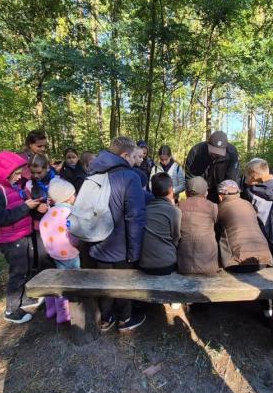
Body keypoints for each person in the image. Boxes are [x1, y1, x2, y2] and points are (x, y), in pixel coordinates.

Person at [86, 136, 147, 332]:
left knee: (104, 282)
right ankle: (125, 318)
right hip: (121, 246)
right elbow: (135, 217)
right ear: (125, 155)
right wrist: (134, 252)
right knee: (123, 283)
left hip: (97, 242)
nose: (135, 161)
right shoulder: (130, 177)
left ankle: (106, 319)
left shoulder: (93, 173)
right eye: (133, 157)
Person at [0, 151, 43, 324]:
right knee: (18, 272)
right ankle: (12, 310)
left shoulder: (10, 186)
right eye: (16, 173)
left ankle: (24, 298)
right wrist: (25, 207)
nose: (19, 176)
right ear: (4, 172)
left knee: (26, 268)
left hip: (20, 235)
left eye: (20, 173)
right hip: (9, 239)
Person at [39, 178, 80, 324]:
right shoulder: (70, 213)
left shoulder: (49, 213)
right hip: (70, 253)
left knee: (59, 279)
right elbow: (76, 233)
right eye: (74, 194)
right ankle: (65, 313)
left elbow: (43, 229)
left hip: (55, 254)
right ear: (69, 197)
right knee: (73, 282)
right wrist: (78, 245)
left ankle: (51, 308)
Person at [241, 158, 273, 267]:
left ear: (253, 176)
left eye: (246, 176)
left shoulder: (250, 193)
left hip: (264, 239)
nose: (245, 179)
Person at [217, 180, 273, 272]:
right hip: (263, 261)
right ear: (238, 193)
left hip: (236, 264)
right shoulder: (249, 204)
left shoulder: (220, 208)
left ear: (220, 196)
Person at [139, 173, 182, 275]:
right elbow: (176, 238)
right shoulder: (174, 211)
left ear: (152, 191)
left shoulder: (145, 209)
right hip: (166, 264)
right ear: (171, 189)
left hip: (144, 264)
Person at [177, 177, 220, 275]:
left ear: (186, 193)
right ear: (206, 193)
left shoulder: (179, 206)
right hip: (209, 266)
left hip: (184, 266)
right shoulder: (213, 207)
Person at [185, 131, 240, 203]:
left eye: (219, 152)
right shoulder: (195, 151)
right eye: (213, 150)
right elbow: (190, 177)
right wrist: (196, 194)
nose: (215, 154)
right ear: (208, 144)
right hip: (201, 189)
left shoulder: (231, 152)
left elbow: (232, 178)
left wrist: (226, 195)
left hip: (221, 189)